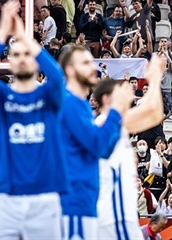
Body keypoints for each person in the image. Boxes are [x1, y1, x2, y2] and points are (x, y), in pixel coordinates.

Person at [0, 0, 66, 239]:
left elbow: (57, 76)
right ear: (9, 61)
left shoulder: (48, 95)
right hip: (6, 196)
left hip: (45, 195)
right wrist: (3, 33)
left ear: (36, 58)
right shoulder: (1, 96)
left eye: (27, 54)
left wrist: (26, 38)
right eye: (16, 54)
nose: (23, 58)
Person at [59, 45, 129, 239]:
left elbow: (103, 150)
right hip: (73, 202)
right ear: (70, 70)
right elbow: (98, 145)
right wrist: (115, 110)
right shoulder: (69, 102)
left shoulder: (78, 104)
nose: (92, 67)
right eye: (85, 63)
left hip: (84, 201)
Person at [94, 57, 165, 239]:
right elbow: (152, 112)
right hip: (112, 213)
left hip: (119, 210)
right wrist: (155, 78)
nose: (128, 93)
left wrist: (156, 79)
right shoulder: (105, 122)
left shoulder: (115, 123)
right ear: (108, 99)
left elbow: (155, 114)